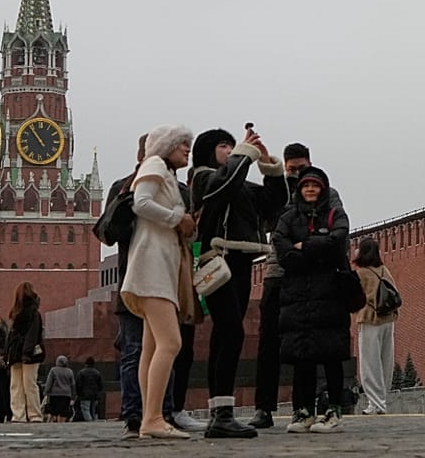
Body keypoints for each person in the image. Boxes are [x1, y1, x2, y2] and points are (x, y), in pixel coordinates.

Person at [187, 127, 287, 438]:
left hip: (241, 262)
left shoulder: (238, 182)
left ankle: (221, 412)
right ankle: (223, 413)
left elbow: (273, 202)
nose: (230, 150)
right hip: (217, 261)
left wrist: (269, 166)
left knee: (225, 335)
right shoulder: (203, 177)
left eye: (233, 146)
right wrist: (244, 154)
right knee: (231, 332)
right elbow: (221, 188)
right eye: (223, 146)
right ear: (207, 151)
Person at [249, 142, 337, 428]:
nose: (298, 175)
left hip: (311, 277)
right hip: (277, 273)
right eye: (292, 170)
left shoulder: (327, 193)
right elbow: (269, 229)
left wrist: (305, 244)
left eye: (301, 169)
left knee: (307, 344)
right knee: (268, 343)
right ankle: (263, 408)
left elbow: (336, 230)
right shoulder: (278, 192)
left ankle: (304, 406)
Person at [120, 124, 195, 440]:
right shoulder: (154, 165)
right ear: (167, 146)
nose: (187, 151)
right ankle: (152, 417)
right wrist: (178, 218)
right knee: (171, 342)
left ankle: (151, 417)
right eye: (182, 145)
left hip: (158, 267)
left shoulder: (164, 171)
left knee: (151, 348)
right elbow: (141, 203)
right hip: (152, 268)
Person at [274, 165, 351, 433]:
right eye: (306, 185)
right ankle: (302, 410)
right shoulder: (289, 216)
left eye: (315, 186)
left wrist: (304, 246)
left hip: (329, 294)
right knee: (302, 355)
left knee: (331, 354)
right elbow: (281, 247)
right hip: (298, 296)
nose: (310, 189)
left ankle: (333, 411)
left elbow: (338, 241)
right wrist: (317, 248)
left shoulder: (334, 213)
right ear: (300, 189)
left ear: (323, 189)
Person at [352, 236, 398, 416]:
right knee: (386, 360)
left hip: (370, 319)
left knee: (370, 363)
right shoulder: (384, 270)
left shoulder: (361, 273)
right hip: (388, 320)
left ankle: (376, 403)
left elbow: (355, 297)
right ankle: (382, 400)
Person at [4, 282, 45, 423]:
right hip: (29, 355)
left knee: (16, 386)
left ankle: (19, 415)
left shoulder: (16, 314)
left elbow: (13, 336)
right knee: (29, 385)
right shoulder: (34, 314)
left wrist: (8, 353)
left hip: (19, 354)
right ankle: (34, 415)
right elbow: (33, 336)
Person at [43, 355, 75, 422]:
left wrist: (46, 392)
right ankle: (61, 424)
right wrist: (73, 396)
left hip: (55, 394)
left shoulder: (53, 370)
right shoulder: (70, 371)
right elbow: (72, 384)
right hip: (66, 394)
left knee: (53, 411)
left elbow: (49, 382)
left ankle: (51, 424)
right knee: (63, 412)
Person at [74, 357, 103, 421]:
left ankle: (90, 423)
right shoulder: (97, 373)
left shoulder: (81, 372)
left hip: (84, 395)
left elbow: (78, 385)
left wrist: (79, 394)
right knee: (93, 411)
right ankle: (94, 422)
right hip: (94, 395)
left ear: (86, 364)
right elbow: (100, 385)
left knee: (85, 410)